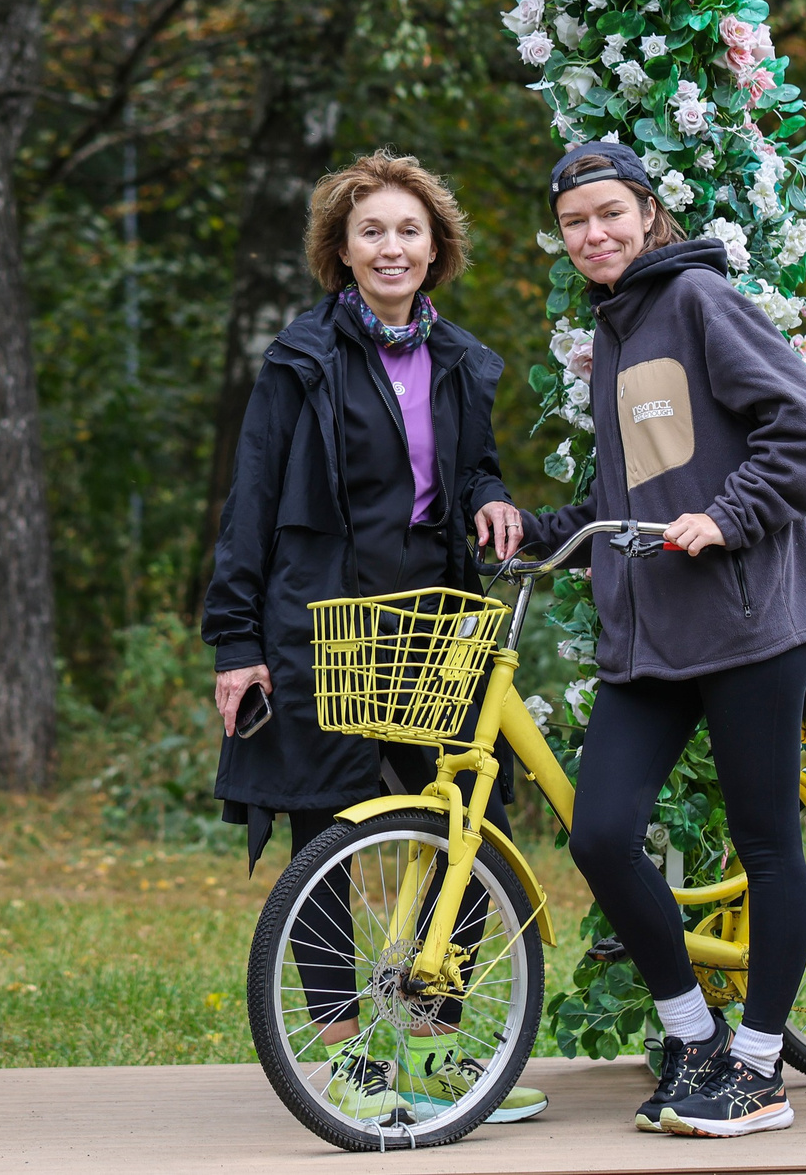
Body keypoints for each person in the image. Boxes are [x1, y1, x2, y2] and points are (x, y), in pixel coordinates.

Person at [202, 150, 544, 1127]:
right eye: (371, 232)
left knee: (471, 827)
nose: (391, 248)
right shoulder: (301, 362)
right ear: (340, 253)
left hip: (435, 624)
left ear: (435, 249)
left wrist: (494, 501)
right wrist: (236, 643)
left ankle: (440, 1055)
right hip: (321, 627)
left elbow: (472, 472)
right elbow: (253, 500)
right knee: (326, 836)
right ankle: (349, 1064)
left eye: (408, 231)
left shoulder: (459, 362)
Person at [521, 142, 806, 1139]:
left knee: (766, 846)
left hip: (748, 623)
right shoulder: (615, 329)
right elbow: (629, 497)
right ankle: (693, 1035)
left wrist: (727, 514)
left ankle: (760, 1068)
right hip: (653, 633)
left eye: (609, 213)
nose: (593, 234)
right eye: (576, 222)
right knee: (601, 832)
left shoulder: (698, 300)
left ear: (648, 214)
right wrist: (530, 533)